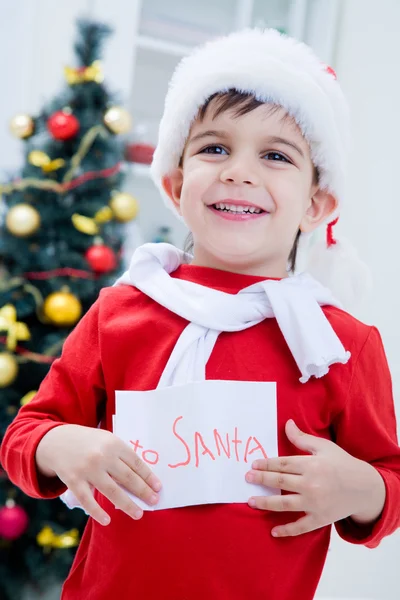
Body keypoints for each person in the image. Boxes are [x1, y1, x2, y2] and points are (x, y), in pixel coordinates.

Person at [1, 28, 400, 600]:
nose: (238, 171)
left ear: (316, 204)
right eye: (215, 147)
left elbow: (392, 478)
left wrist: (362, 490)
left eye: (275, 155)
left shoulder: (338, 344)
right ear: (176, 181)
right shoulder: (121, 311)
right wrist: (59, 446)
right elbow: (24, 434)